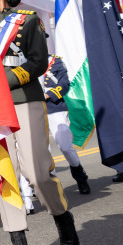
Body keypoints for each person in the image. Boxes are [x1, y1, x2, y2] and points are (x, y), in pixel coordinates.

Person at [0, 0, 79, 245]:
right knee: (4, 176)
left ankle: (61, 216)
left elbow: (38, 61)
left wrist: (4, 81)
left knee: (36, 173)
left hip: (24, 98)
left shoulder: (26, 20)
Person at [40, 56, 90, 194]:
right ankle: (52, 186)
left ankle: (80, 176)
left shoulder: (54, 61)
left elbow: (64, 84)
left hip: (54, 107)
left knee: (66, 147)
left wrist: (47, 95)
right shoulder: (25, 62)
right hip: (34, 110)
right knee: (43, 151)